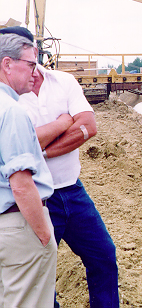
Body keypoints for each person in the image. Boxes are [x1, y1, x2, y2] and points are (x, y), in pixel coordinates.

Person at [17, 38, 119, 307]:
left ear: (36, 53)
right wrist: (64, 123)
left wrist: (41, 151)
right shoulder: (9, 96)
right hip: (36, 198)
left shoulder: (63, 81)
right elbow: (20, 144)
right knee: (39, 273)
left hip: (73, 191)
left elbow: (88, 126)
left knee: (104, 255)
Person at [0, 33, 57, 307]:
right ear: (7, 64)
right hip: (18, 227)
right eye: (31, 65)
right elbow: (21, 184)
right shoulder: (12, 112)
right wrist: (43, 236)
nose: (36, 73)